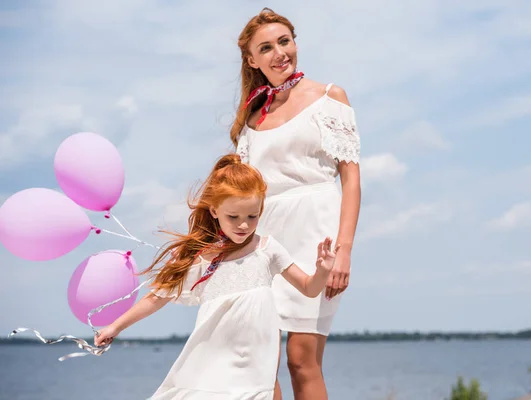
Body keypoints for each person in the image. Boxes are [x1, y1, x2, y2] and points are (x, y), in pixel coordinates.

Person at [94, 154, 340, 400]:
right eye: (233, 217)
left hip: (257, 360)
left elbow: (309, 288)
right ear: (214, 210)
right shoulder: (202, 258)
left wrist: (323, 270)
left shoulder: (267, 248)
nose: (243, 225)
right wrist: (115, 327)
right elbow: (157, 297)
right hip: (214, 357)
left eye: (252, 216)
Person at [231, 8, 362, 400]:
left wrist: (344, 252)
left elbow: (351, 181)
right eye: (266, 48)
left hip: (316, 236)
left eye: (284, 42)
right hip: (263, 244)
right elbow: (240, 194)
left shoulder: (329, 97)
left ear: (295, 43)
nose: (279, 54)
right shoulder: (251, 118)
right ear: (252, 60)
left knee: (302, 360)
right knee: (258, 362)